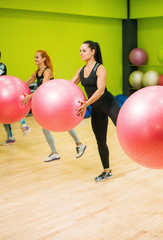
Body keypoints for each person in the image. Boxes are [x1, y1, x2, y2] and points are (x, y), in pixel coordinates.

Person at [21, 50, 86, 162]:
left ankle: (76, 145)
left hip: (55, 102)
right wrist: (18, 87)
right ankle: (58, 151)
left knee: (64, 122)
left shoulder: (48, 71)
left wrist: (29, 97)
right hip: (46, 103)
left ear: (43, 59)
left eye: (37, 57)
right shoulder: (37, 72)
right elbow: (27, 82)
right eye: (34, 57)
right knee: (46, 127)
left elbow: (43, 88)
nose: (35, 59)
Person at [70, 41, 120, 182]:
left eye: (84, 50)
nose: (81, 53)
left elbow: (100, 90)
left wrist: (86, 103)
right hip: (96, 109)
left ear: (93, 52)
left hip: (109, 104)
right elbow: (69, 86)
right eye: (80, 50)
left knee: (124, 129)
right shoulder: (80, 71)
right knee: (100, 141)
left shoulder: (100, 69)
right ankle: (107, 171)